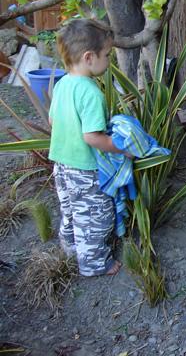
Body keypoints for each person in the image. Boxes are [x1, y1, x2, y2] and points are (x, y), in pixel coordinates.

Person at [49, 19, 125, 276]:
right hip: (84, 168)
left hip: (61, 164)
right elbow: (92, 137)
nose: (109, 60)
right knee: (95, 217)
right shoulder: (91, 92)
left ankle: (70, 246)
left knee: (71, 209)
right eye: (107, 55)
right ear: (89, 57)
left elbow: (52, 120)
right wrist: (119, 147)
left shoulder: (61, 85)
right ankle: (93, 263)